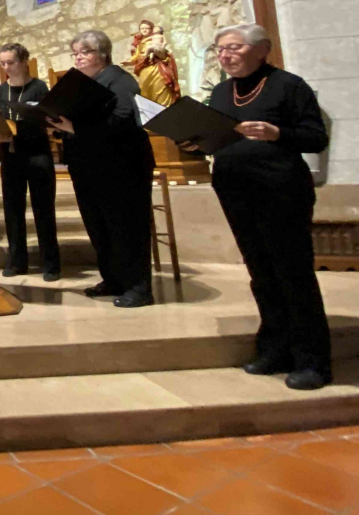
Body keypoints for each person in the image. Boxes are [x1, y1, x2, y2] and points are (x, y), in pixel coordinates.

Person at [203, 23, 331, 390]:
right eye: (220, 49)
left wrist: (278, 133)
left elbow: (315, 137)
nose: (225, 55)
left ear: (262, 50)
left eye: (234, 47)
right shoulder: (222, 92)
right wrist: (198, 142)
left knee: (293, 274)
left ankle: (313, 361)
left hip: (281, 191)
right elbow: (217, 138)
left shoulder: (289, 85)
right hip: (235, 190)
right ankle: (275, 349)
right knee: (261, 274)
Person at [48, 31, 155, 308]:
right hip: (87, 165)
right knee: (98, 226)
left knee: (126, 226)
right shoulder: (84, 83)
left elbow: (123, 119)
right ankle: (114, 279)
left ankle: (139, 287)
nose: (79, 57)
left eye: (85, 52)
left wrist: (74, 128)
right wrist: (58, 126)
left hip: (122, 166)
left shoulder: (120, 80)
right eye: (76, 53)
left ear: (103, 54)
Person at [0, 43, 60, 280]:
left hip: (37, 153)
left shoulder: (39, 87)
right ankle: (17, 260)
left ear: (24, 62)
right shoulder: (0, 90)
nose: (6, 67)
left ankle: (50, 263)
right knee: (12, 210)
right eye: (2, 63)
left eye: (10, 62)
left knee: (43, 209)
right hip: (10, 155)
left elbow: (47, 120)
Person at [123, 20, 181, 105]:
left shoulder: (158, 39)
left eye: (147, 28)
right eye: (142, 28)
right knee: (145, 95)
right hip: (144, 72)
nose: (144, 30)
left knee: (161, 93)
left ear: (152, 30)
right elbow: (137, 56)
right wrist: (129, 62)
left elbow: (166, 55)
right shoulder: (141, 43)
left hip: (158, 71)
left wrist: (159, 52)